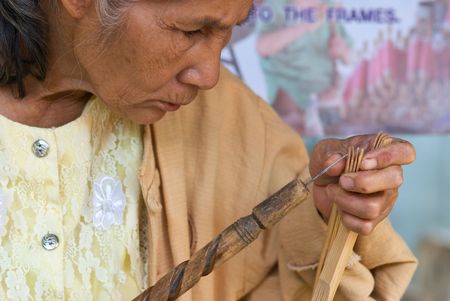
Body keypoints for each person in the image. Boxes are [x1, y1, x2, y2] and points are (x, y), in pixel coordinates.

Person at [0, 1, 417, 300]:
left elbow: (294, 279)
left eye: (230, 31)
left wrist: (326, 215)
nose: (210, 75)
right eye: (191, 31)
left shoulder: (231, 121)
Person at [255, 0, 352, 134]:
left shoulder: (329, 6)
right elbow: (262, 47)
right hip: (288, 104)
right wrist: (304, 27)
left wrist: (343, 51)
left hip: (325, 102)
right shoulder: (275, 6)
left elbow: (350, 57)